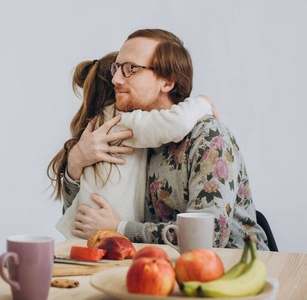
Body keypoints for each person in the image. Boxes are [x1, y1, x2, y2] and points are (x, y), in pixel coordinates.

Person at [60, 29, 269, 250]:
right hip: (160, 267)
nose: (116, 79)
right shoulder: (132, 134)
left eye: (131, 69)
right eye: (117, 68)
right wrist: (75, 163)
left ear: (168, 82)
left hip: (236, 266)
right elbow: (80, 220)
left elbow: (208, 237)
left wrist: (120, 229)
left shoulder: (208, 136)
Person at [51, 52, 213, 239]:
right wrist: (203, 102)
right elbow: (176, 123)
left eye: (130, 71)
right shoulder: (119, 121)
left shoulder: (103, 123)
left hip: (90, 234)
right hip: (103, 237)